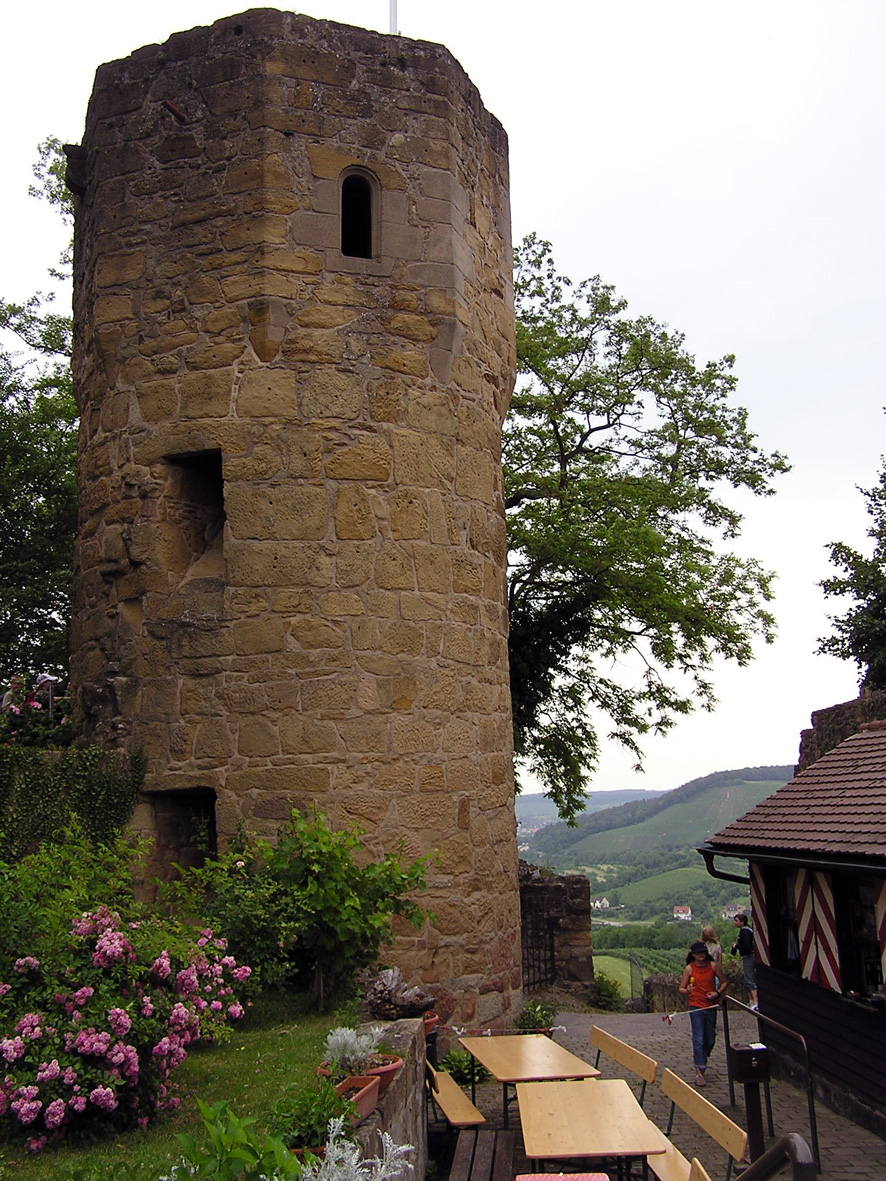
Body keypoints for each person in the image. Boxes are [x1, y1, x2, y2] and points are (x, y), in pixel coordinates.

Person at [679, 939, 728, 1087]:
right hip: (696, 1006)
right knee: (698, 1038)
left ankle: (703, 1055)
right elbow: (681, 988)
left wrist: (717, 993)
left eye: (703, 952)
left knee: (710, 1039)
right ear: (693, 954)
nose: (701, 955)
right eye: (698, 953)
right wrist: (687, 990)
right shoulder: (689, 969)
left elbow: (724, 981)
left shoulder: (713, 966)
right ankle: (699, 1071)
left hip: (710, 1006)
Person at [731, 912, 758, 1009]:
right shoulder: (747, 930)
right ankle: (751, 1001)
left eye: (736, 921)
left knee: (749, 979)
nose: (735, 923)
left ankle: (755, 1002)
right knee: (747, 980)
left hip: (748, 956)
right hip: (748, 956)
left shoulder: (744, 932)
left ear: (742, 922)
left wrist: (737, 946)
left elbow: (747, 946)